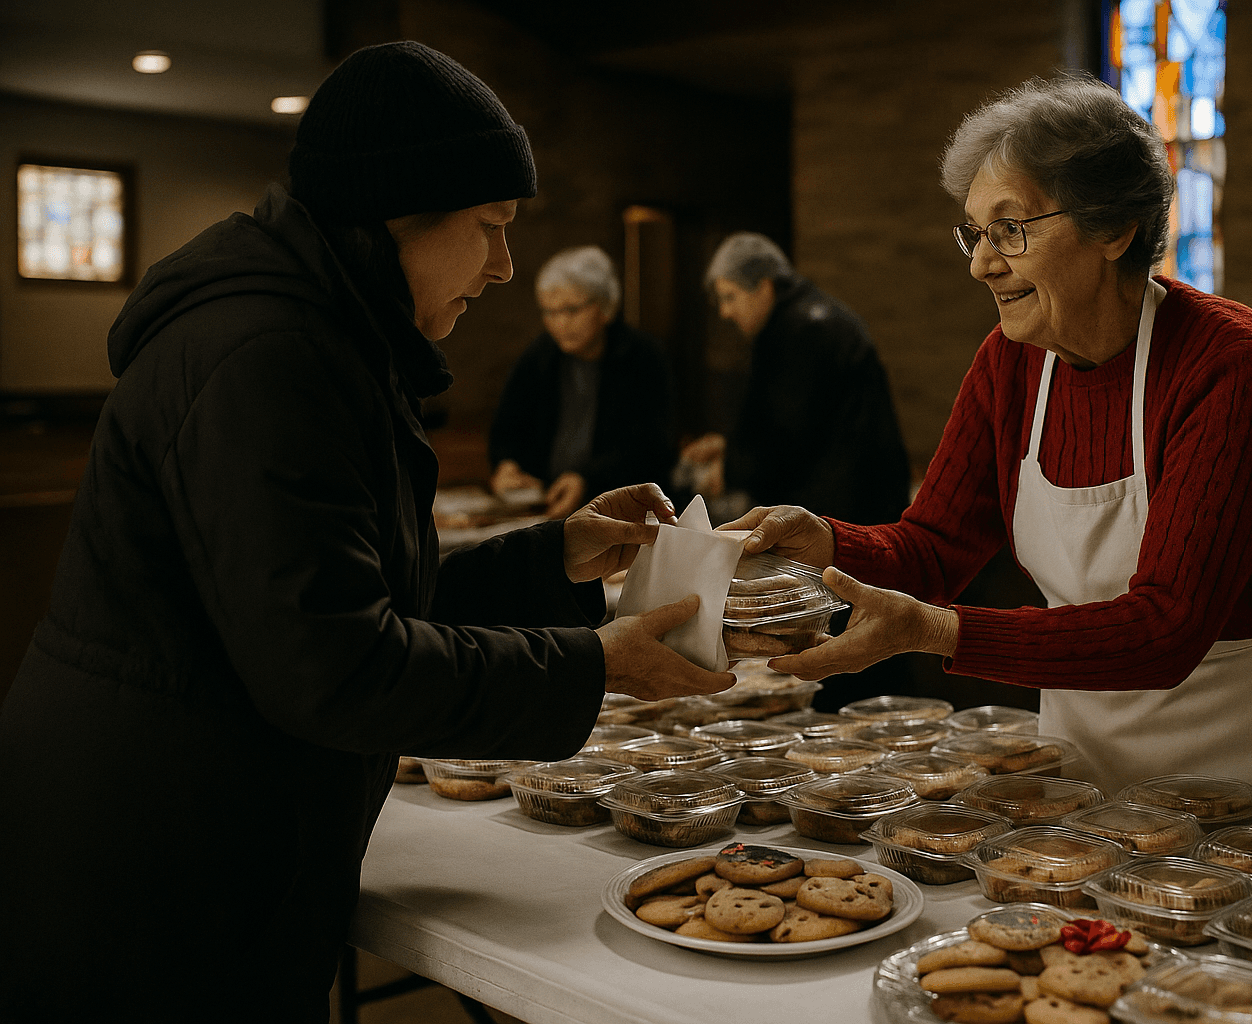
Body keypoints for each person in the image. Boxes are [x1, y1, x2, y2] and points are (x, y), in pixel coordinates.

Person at [0, 42, 730, 1023]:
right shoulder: (266, 356)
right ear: (402, 215)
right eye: (491, 228)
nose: (506, 266)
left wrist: (550, 553)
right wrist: (591, 665)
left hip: (198, 832)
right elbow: (334, 663)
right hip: (151, 862)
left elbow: (352, 591)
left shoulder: (327, 333)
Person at [724, 74, 1252, 807]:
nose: (981, 263)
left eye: (1011, 230)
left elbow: (1168, 629)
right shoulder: (1010, 362)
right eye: (975, 233)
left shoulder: (1230, 362)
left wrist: (936, 631)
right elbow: (936, 547)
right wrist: (826, 542)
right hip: (1094, 727)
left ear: (1114, 229)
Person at [681, 232, 911, 526]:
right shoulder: (807, 317)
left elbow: (788, 437)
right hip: (859, 500)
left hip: (846, 512)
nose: (725, 312)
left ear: (763, 288)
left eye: (730, 297)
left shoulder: (799, 333)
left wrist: (729, 469)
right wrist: (731, 446)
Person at [487, 245, 676, 519]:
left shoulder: (644, 358)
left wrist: (586, 479)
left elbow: (652, 447)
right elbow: (506, 428)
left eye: (571, 310)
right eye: (549, 312)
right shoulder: (539, 357)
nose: (559, 324)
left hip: (624, 509)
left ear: (605, 307)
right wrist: (506, 465)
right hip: (547, 507)